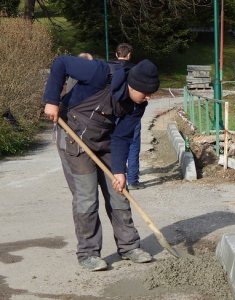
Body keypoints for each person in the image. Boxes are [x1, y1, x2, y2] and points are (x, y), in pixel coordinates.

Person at [42, 55, 160, 271]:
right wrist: (51, 100)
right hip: (73, 137)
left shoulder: (137, 105)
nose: (148, 98)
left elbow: (122, 137)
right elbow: (60, 63)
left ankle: (129, 247)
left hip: (106, 141)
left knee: (119, 193)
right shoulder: (99, 73)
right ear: (133, 86)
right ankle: (88, 253)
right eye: (146, 93)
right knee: (87, 197)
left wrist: (119, 171)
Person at [114, 43, 146, 190]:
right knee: (133, 145)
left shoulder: (111, 69)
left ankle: (116, 173)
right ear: (129, 55)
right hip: (132, 111)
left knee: (116, 142)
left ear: (116, 54)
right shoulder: (134, 71)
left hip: (114, 112)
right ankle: (132, 179)